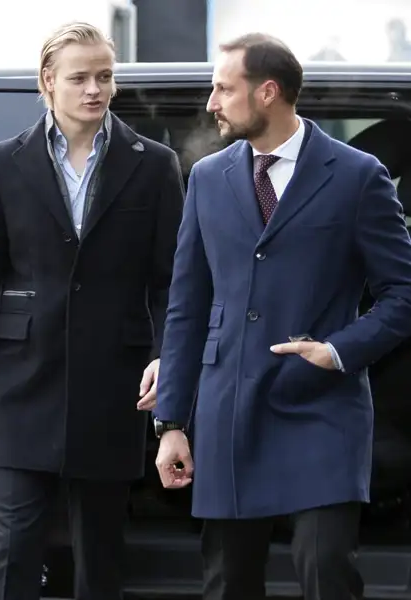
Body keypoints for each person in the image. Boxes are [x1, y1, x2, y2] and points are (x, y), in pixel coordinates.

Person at [153, 32, 411, 600]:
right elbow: (187, 306)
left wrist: (338, 350)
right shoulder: (206, 178)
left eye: (223, 89)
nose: (211, 103)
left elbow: (403, 294)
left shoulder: (357, 175)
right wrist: (170, 423)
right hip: (227, 411)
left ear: (268, 92)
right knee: (228, 582)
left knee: (327, 572)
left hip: (322, 406)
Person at [0, 21, 184, 600]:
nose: (95, 89)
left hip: (115, 386)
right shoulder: (4, 163)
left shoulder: (153, 164)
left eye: (105, 76)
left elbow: (170, 285)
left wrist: (164, 363)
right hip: (22, 385)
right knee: (13, 551)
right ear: (48, 82)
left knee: (100, 557)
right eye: (80, 78)